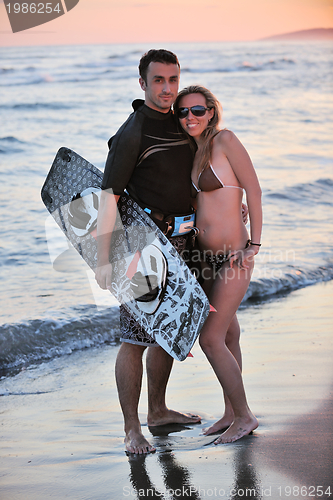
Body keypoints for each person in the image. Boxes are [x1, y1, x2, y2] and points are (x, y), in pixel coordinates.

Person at [95, 50, 202, 455]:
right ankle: (131, 430)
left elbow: (188, 177)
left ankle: (157, 411)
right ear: (143, 83)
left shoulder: (180, 122)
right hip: (140, 245)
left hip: (182, 241)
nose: (167, 89)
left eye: (173, 79)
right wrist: (103, 259)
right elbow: (108, 198)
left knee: (167, 331)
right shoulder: (132, 133)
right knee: (136, 337)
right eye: (158, 80)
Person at [174, 85, 262, 444]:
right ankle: (230, 412)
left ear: (210, 111)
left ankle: (244, 416)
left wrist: (254, 243)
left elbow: (253, 189)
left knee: (210, 337)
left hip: (234, 256)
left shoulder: (225, 140)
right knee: (228, 333)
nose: (190, 117)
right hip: (204, 258)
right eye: (183, 112)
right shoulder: (195, 152)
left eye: (197, 110)